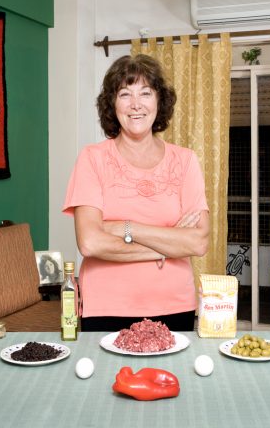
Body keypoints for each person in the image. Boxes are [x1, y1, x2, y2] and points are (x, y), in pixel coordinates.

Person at [62, 54, 210, 332]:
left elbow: (198, 242)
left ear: (159, 101)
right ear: (112, 104)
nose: (136, 105)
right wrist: (167, 246)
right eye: (124, 94)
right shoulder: (92, 159)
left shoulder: (186, 161)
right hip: (105, 305)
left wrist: (124, 227)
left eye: (146, 93)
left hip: (174, 305)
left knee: (172, 376)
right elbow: (91, 243)